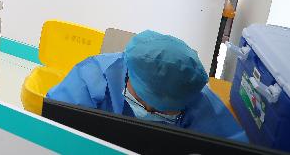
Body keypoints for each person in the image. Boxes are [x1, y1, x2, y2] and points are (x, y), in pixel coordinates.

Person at [46, 30, 247, 142]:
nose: (148, 111)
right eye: (141, 100)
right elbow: (54, 132)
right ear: (128, 74)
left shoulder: (194, 94)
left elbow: (231, 144)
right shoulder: (91, 78)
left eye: (162, 111)